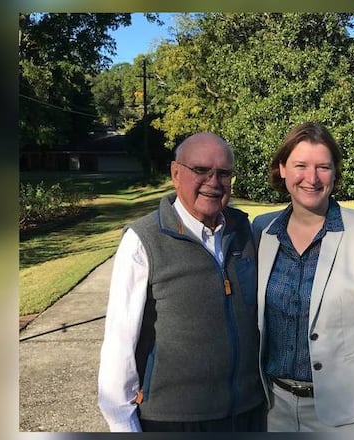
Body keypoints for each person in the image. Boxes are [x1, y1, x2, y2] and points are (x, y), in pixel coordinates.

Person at [98, 132, 266, 432]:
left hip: (248, 413)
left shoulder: (243, 230)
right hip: (174, 420)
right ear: (176, 173)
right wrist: (122, 423)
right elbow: (119, 343)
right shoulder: (143, 240)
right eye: (201, 170)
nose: (213, 182)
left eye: (224, 173)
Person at [251, 122, 354, 432]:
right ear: (282, 169)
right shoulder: (261, 230)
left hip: (342, 415)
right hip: (271, 408)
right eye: (300, 166)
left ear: (334, 173)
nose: (311, 177)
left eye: (323, 167)